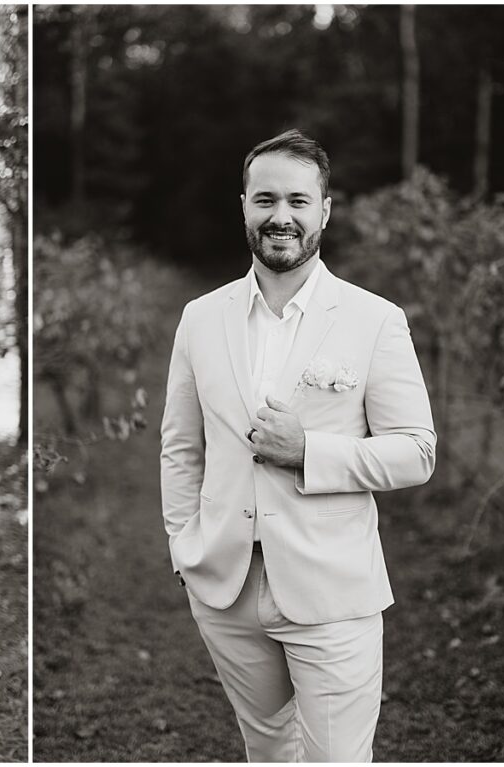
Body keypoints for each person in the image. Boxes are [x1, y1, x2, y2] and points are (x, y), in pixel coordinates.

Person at [159, 129, 436, 761]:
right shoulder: (201, 317)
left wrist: (309, 450)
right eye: (265, 200)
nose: (280, 216)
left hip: (332, 589)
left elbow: (417, 450)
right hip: (224, 589)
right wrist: (184, 545)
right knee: (267, 750)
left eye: (297, 201)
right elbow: (181, 447)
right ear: (245, 206)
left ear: (324, 210)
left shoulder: (374, 319)